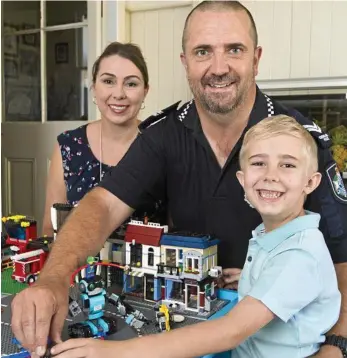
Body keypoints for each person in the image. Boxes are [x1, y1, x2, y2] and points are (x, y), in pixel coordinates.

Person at [11, 1, 347, 357]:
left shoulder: (299, 140)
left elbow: (341, 253)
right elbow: (104, 202)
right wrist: (52, 278)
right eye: (203, 51)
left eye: (234, 49)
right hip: (200, 333)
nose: (219, 68)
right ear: (185, 61)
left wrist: (337, 344)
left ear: (256, 58)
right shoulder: (161, 134)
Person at [46, 115, 342, 358]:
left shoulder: (299, 255)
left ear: (311, 182)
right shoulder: (277, 233)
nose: (271, 175)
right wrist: (257, 278)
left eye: (287, 165)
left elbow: (230, 332)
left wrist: (113, 353)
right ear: (242, 179)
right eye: (258, 163)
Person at [42, 41, 164, 237]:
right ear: (93, 87)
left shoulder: (163, 143)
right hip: (81, 266)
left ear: (145, 91)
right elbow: (50, 229)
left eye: (131, 84)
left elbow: (181, 229)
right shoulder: (68, 147)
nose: (118, 94)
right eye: (108, 81)